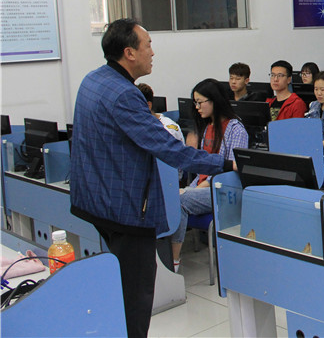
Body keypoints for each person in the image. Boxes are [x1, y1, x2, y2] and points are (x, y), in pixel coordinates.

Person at [70, 19, 234, 338]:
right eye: (148, 45)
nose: (153, 52)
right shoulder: (124, 94)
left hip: (96, 201)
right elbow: (169, 149)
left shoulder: (93, 80)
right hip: (125, 209)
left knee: (120, 289)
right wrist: (226, 164)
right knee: (136, 296)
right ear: (129, 53)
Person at [171, 79, 248, 272]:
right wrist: (190, 188)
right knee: (170, 196)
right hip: (204, 187)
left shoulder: (235, 129)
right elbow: (202, 170)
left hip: (224, 190)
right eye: (195, 103)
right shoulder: (208, 127)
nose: (197, 107)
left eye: (200, 102)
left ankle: (173, 261)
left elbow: (230, 171)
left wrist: (193, 190)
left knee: (179, 201)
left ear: (214, 100)